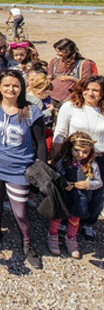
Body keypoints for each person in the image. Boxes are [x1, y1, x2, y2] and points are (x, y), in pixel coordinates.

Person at [0, 70, 46, 269]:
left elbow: (40, 142)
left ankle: (27, 243)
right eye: (6, 85)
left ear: (22, 87)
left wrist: (40, 168)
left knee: (21, 211)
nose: (11, 89)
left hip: (19, 168)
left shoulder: (31, 111)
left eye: (15, 85)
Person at [52, 75, 104, 241]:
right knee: (70, 190)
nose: (90, 93)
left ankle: (87, 223)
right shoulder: (71, 106)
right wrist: (55, 155)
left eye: (95, 90)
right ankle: (63, 221)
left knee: (96, 194)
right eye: (86, 89)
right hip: (73, 155)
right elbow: (60, 132)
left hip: (99, 157)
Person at [48, 132, 101, 259]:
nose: (80, 155)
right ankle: (52, 236)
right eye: (77, 150)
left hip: (81, 199)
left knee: (75, 220)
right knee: (58, 217)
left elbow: (99, 182)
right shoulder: (65, 161)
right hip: (65, 196)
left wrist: (88, 184)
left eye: (85, 152)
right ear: (70, 147)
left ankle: (71, 239)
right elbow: (55, 174)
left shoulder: (91, 165)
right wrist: (64, 183)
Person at [48, 39, 96, 105]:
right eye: (56, 51)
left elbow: (87, 83)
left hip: (71, 99)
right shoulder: (54, 61)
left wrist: (71, 79)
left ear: (69, 51)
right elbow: (49, 78)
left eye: (60, 51)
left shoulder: (84, 63)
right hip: (52, 98)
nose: (57, 54)